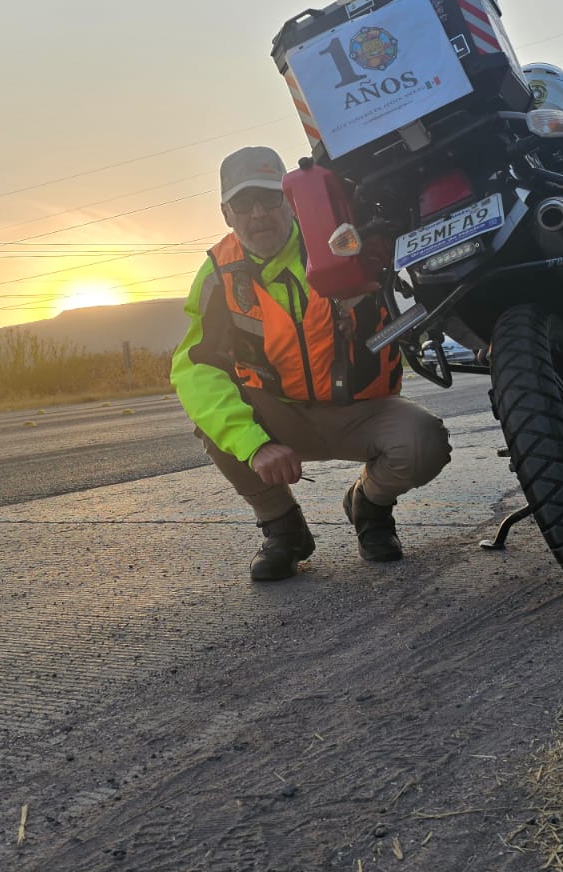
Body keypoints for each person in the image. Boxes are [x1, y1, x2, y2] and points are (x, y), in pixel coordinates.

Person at [171, 146, 452, 581]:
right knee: (212, 421)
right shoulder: (217, 274)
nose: (259, 214)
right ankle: (284, 531)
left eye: (270, 198)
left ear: (292, 199)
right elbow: (197, 369)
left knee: (425, 443)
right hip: (282, 416)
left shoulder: (345, 239)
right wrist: (254, 444)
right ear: (226, 213)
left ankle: (370, 507)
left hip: (363, 409)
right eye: (244, 204)